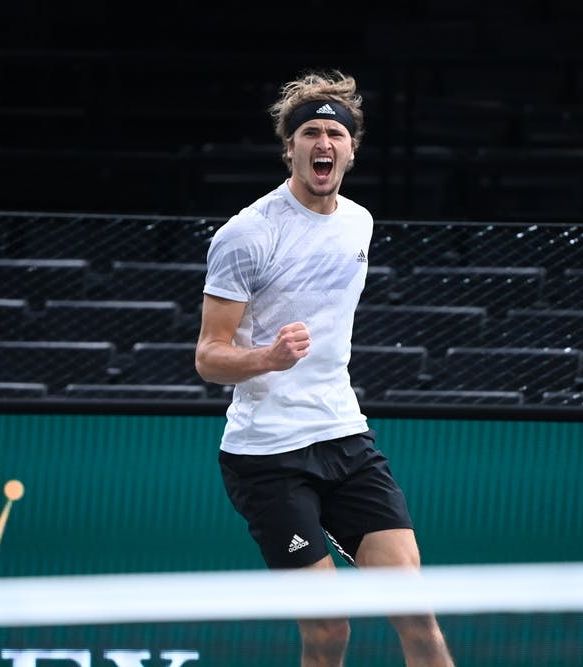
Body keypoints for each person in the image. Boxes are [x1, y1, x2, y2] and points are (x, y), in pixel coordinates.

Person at [195, 69, 455, 667]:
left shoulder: (359, 223)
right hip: (267, 457)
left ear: (351, 149)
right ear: (290, 147)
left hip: (344, 437)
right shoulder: (246, 234)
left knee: (417, 614)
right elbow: (209, 356)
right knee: (329, 630)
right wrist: (267, 357)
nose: (323, 144)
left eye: (334, 134)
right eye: (309, 132)